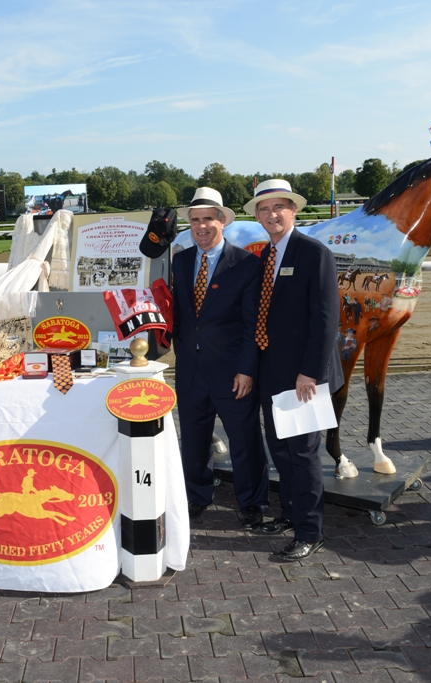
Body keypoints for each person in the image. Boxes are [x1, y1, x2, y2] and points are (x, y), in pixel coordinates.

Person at [244, 179, 344, 561]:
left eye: (279, 207)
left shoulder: (313, 253)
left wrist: (309, 373)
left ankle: (310, 531)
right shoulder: (266, 257)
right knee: (281, 451)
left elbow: (325, 320)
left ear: (294, 210)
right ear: (257, 216)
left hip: (303, 376)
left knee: (302, 454)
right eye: (264, 210)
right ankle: (290, 513)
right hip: (273, 372)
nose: (272, 215)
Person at [171, 187, 268, 528]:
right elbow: (180, 317)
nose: (201, 226)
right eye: (195, 220)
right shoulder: (180, 263)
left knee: (243, 440)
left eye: (208, 219)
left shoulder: (245, 265)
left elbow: (252, 324)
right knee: (194, 440)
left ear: (222, 221)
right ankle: (197, 496)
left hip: (232, 372)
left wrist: (246, 369)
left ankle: (253, 501)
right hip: (190, 370)